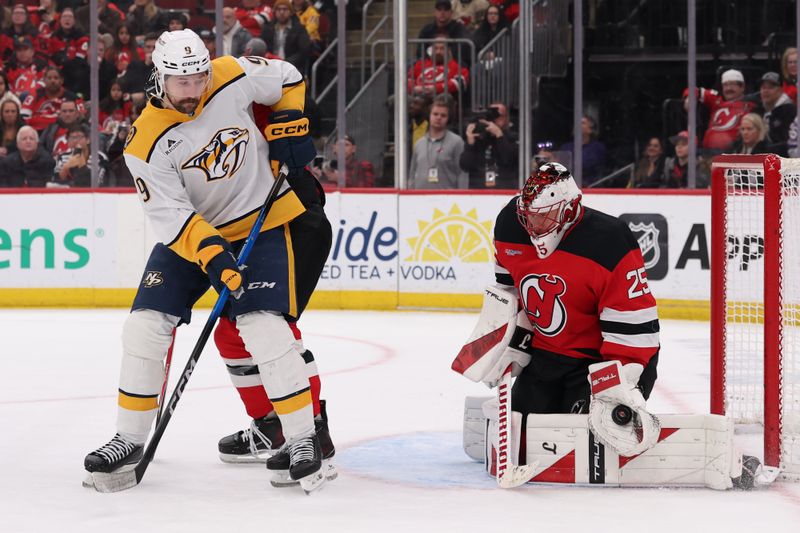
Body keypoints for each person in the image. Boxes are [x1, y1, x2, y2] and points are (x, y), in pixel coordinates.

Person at [83, 28, 332, 493]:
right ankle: (128, 437)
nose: (194, 89)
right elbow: (172, 216)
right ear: (159, 78)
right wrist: (214, 255)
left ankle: (302, 438)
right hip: (196, 236)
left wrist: (288, 117)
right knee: (144, 326)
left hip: (263, 219)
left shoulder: (230, 74)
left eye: (199, 77)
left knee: (262, 325)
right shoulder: (143, 145)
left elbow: (288, 76)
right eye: (183, 82)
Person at [476, 161, 659, 419]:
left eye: (543, 216)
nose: (532, 225)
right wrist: (504, 345)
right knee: (524, 430)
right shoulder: (510, 224)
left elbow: (633, 322)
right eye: (528, 216)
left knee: (582, 439)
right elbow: (508, 293)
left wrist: (617, 382)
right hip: (547, 354)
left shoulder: (610, 240)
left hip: (599, 358)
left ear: (570, 209)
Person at [684, 68, 756, 152]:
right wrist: (689, 98)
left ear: (742, 87)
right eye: (725, 85)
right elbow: (693, 90)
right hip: (706, 154)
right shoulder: (716, 100)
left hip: (731, 154)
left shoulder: (750, 104)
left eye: (732, 84)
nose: (728, 88)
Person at [408, 94, 467, 189]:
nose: (439, 118)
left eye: (443, 115)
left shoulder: (457, 142)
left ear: (448, 118)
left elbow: (462, 173)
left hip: (447, 200)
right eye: (435, 114)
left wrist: (462, 197)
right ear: (429, 115)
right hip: (419, 199)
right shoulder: (419, 143)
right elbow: (412, 174)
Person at [459, 101, 518, 189]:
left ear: (506, 118)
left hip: (504, 191)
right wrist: (470, 143)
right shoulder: (479, 136)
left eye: (498, 115)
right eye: (491, 115)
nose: (494, 119)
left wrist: (499, 135)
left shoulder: (512, 137)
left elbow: (509, 160)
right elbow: (465, 166)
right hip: (478, 192)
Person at [261, 0, 312, 73]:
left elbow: (304, 51)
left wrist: (287, 62)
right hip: (270, 66)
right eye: (278, 9)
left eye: (285, 9)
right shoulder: (267, 28)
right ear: (275, 12)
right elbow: (263, 47)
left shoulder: (299, 29)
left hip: (292, 68)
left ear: (291, 12)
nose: (282, 12)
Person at [50, 123, 107, 187]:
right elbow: (55, 181)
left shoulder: (99, 157)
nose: (75, 141)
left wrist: (81, 165)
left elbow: (96, 183)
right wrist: (66, 168)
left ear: (88, 140)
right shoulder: (62, 156)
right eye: (72, 138)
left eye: (79, 137)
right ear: (67, 142)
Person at [756, 71, 796, 156]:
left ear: (780, 90)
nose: (765, 91)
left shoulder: (790, 111)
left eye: (770, 88)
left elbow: (789, 142)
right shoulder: (758, 110)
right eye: (763, 88)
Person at [559, 114, 606, 186]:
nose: (577, 125)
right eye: (576, 122)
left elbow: (585, 165)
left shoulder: (597, 148)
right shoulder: (566, 147)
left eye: (582, 123)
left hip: (590, 189)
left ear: (590, 130)